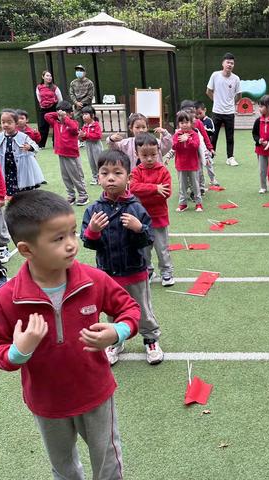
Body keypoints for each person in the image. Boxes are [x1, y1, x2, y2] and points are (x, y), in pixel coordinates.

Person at [0, 189, 141, 478]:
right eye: (59, 239)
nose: (72, 244)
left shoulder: (94, 280)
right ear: (27, 250)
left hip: (96, 393)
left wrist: (117, 331)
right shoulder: (9, 298)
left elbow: (130, 310)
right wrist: (19, 350)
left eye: (72, 233)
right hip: (47, 401)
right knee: (63, 467)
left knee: (108, 462)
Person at [81, 150, 164, 366]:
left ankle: (150, 339)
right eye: (104, 173)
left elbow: (148, 238)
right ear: (98, 177)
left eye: (117, 172)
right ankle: (116, 340)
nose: (110, 177)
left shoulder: (136, 207)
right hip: (107, 274)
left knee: (143, 310)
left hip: (135, 271)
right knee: (112, 311)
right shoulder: (94, 210)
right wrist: (93, 231)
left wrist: (139, 229)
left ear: (129, 177)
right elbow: (89, 243)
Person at [130, 133, 174, 287]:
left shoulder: (163, 171)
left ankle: (167, 272)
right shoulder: (136, 171)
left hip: (159, 217)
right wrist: (155, 188)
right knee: (144, 248)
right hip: (141, 219)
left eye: (153, 155)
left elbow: (167, 193)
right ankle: (148, 270)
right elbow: (133, 187)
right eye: (144, 155)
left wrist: (146, 192)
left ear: (158, 152)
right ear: (137, 154)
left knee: (162, 248)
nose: (149, 159)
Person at [0, 109, 44, 197]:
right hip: (6, 169)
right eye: (3, 122)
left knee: (24, 192)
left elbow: (36, 147)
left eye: (9, 122)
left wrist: (29, 147)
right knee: (9, 191)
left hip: (21, 168)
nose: (6, 125)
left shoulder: (23, 137)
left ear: (16, 124)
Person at [45, 100, 89, 206]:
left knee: (76, 176)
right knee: (66, 177)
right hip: (61, 153)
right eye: (59, 113)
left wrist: (66, 118)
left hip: (72, 155)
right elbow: (47, 116)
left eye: (64, 113)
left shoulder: (73, 123)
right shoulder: (56, 122)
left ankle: (83, 195)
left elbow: (74, 128)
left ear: (70, 113)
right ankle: (71, 195)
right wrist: (59, 113)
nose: (61, 116)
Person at [206, 52, 242, 166]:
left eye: (232, 63)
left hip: (230, 113)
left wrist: (231, 104)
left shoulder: (236, 78)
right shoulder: (215, 75)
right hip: (216, 112)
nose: (230, 65)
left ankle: (230, 158)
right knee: (213, 136)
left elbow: (239, 95)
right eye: (228, 62)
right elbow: (208, 91)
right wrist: (216, 101)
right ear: (223, 63)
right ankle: (210, 157)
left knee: (230, 136)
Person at [107, 113, 172, 171]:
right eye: (137, 127)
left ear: (147, 128)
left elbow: (167, 146)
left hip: (155, 175)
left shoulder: (155, 142)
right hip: (135, 178)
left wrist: (165, 133)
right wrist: (111, 139)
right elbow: (114, 148)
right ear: (131, 128)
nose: (141, 130)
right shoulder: (126, 143)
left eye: (143, 127)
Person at [173, 111, 202, 212]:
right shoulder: (177, 135)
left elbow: (195, 146)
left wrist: (188, 140)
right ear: (178, 124)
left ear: (191, 123)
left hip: (193, 165)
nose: (184, 125)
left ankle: (198, 203)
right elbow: (175, 147)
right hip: (181, 165)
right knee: (182, 186)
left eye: (186, 122)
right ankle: (183, 204)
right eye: (182, 123)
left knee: (195, 185)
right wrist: (181, 140)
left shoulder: (194, 134)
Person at [252, 94, 269, 193]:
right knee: (262, 170)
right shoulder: (258, 121)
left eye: (261, 106)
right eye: (259, 106)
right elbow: (254, 133)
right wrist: (258, 140)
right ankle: (263, 186)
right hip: (260, 150)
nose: (259, 109)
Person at [35, 70, 63, 148]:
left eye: (50, 76)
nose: (49, 77)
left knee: (56, 126)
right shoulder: (39, 87)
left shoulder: (55, 87)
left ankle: (56, 144)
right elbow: (39, 98)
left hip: (54, 108)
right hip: (43, 108)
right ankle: (41, 145)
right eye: (47, 76)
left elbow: (60, 99)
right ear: (43, 77)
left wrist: (59, 108)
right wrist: (43, 104)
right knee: (42, 127)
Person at [78, 105, 103, 185]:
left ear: (92, 115)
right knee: (91, 162)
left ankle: (101, 177)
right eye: (83, 114)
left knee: (98, 162)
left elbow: (98, 136)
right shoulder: (84, 126)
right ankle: (95, 177)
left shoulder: (96, 125)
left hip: (96, 146)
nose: (84, 116)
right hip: (88, 146)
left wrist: (86, 135)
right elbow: (84, 138)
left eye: (86, 114)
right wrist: (81, 136)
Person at [69, 65, 95, 129]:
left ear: (85, 72)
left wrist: (81, 103)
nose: (79, 72)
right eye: (77, 70)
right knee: (77, 125)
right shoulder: (73, 83)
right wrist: (76, 102)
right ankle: (79, 138)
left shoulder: (89, 83)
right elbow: (71, 94)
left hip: (87, 107)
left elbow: (90, 96)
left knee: (88, 125)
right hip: (76, 108)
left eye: (81, 70)